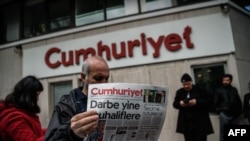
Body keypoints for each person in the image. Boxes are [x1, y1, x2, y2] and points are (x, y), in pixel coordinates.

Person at [44, 56, 110, 141]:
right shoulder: (67, 105)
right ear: (83, 77)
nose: (104, 83)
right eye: (98, 78)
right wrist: (71, 132)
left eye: (107, 78)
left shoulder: (110, 99)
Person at [0, 75, 46, 141]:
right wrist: (56, 136)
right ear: (28, 96)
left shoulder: (19, 112)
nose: (37, 99)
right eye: (36, 95)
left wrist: (53, 130)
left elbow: (34, 131)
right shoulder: (14, 117)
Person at [173, 73, 214, 141]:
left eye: (188, 84)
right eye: (184, 85)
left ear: (191, 82)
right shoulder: (180, 92)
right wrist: (180, 103)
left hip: (200, 122)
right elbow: (174, 104)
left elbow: (209, 101)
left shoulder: (200, 90)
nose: (186, 86)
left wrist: (197, 102)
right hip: (187, 124)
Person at [214, 74, 242, 141]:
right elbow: (215, 102)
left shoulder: (234, 90)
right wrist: (219, 111)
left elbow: (238, 100)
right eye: (224, 80)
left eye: (227, 80)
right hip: (224, 114)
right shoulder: (219, 90)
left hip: (235, 114)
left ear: (230, 81)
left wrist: (239, 111)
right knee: (223, 133)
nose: (225, 82)